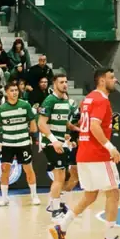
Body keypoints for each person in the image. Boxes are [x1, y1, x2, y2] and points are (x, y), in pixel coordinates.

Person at [49, 68, 120, 239]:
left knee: (90, 195)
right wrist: (110, 147)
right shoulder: (101, 100)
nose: (115, 80)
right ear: (101, 81)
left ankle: (61, 227)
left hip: (84, 154)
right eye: (111, 77)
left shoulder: (88, 99)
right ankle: (110, 238)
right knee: (113, 193)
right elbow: (94, 126)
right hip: (98, 155)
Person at [0, 82, 40, 207]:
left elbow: (33, 123)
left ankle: (34, 196)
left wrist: (33, 132)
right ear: (7, 92)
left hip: (23, 143)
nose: (15, 92)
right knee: (5, 170)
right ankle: (5, 198)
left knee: (28, 169)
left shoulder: (25, 105)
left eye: (16, 90)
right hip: (8, 144)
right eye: (12, 90)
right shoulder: (1, 109)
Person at [37, 73, 79, 220]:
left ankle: (58, 205)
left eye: (66, 82)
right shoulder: (49, 100)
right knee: (60, 177)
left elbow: (64, 122)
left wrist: (75, 129)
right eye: (61, 82)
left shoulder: (66, 101)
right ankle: (55, 210)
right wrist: (54, 141)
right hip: (51, 143)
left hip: (62, 142)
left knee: (64, 175)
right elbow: (41, 124)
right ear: (54, 84)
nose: (65, 85)